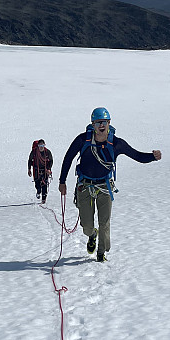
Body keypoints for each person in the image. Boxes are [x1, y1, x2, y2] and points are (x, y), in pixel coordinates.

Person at [58, 107, 161, 262]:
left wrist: (152, 157)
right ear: (92, 124)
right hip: (84, 186)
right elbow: (68, 158)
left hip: (105, 186)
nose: (102, 125)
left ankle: (101, 253)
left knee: (104, 222)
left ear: (109, 123)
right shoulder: (82, 139)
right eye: (98, 122)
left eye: (104, 122)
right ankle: (92, 234)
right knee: (86, 225)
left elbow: (137, 155)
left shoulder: (116, 143)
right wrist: (62, 181)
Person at [28, 139, 53, 204]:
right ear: (38, 146)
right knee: (37, 184)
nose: (41, 147)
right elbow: (30, 160)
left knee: (45, 184)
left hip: (45, 170)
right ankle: (38, 191)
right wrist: (29, 169)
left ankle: (44, 199)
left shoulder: (47, 152)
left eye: (42, 145)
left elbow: (51, 160)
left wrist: (49, 169)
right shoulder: (34, 152)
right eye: (40, 145)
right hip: (36, 170)